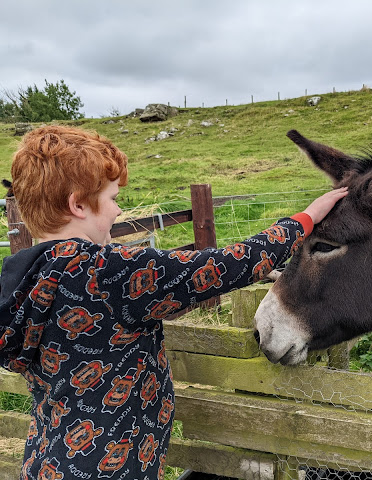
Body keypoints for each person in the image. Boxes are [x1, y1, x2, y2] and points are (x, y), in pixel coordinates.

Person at [0, 125, 348, 480]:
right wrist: (306, 219)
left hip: (46, 460)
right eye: (114, 199)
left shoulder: (25, 278)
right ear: (77, 204)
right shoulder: (106, 273)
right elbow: (227, 266)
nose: (119, 212)